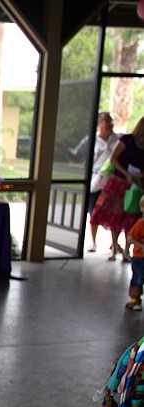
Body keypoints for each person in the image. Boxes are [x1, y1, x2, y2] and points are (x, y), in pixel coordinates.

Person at [91, 115, 144, 262]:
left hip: (135, 185)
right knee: (115, 214)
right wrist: (125, 173)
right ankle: (114, 247)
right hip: (118, 182)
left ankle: (126, 250)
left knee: (131, 217)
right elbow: (113, 158)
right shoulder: (127, 140)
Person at [85, 112, 119, 253]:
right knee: (94, 211)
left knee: (114, 211)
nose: (109, 124)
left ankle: (115, 243)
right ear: (99, 124)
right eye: (106, 121)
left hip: (111, 180)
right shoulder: (91, 140)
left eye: (110, 121)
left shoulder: (117, 139)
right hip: (95, 179)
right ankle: (93, 242)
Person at [125, 194, 144, 311]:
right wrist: (141, 246)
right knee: (137, 278)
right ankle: (135, 300)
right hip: (139, 258)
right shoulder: (140, 224)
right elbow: (130, 238)